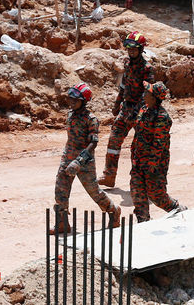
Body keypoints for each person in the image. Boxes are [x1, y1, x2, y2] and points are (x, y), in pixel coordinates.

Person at [51, 83, 121, 235]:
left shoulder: (91, 119)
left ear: (84, 101)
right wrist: (69, 159)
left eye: (75, 100)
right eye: (71, 99)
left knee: (94, 192)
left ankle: (113, 211)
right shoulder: (70, 115)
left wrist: (79, 161)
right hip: (67, 158)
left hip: (84, 162)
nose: (71, 102)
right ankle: (62, 223)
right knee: (60, 190)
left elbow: (93, 143)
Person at [98, 31, 155, 188]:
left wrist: (146, 113)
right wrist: (117, 105)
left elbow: (150, 93)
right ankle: (109, 176)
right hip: (126, 109)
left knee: (138, 147)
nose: (131, 51)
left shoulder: (147, 68)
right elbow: (123, 87)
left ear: (140, 49)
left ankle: (139, 180)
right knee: (113, 140)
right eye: (129, 49)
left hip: (140, 111)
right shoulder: (127, 65)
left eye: (134, 49)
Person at [130, 81, 185, 222]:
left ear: (154, 98)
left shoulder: (162, 117)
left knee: (157, 196)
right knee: (137, 192)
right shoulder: (143, 110)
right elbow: (137, 133)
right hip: (139, 160)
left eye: (147, 93)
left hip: (154, 164)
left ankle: (178, 210)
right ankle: (143, 222)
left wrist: (152, 165)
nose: (144, 94)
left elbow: (158, 144)